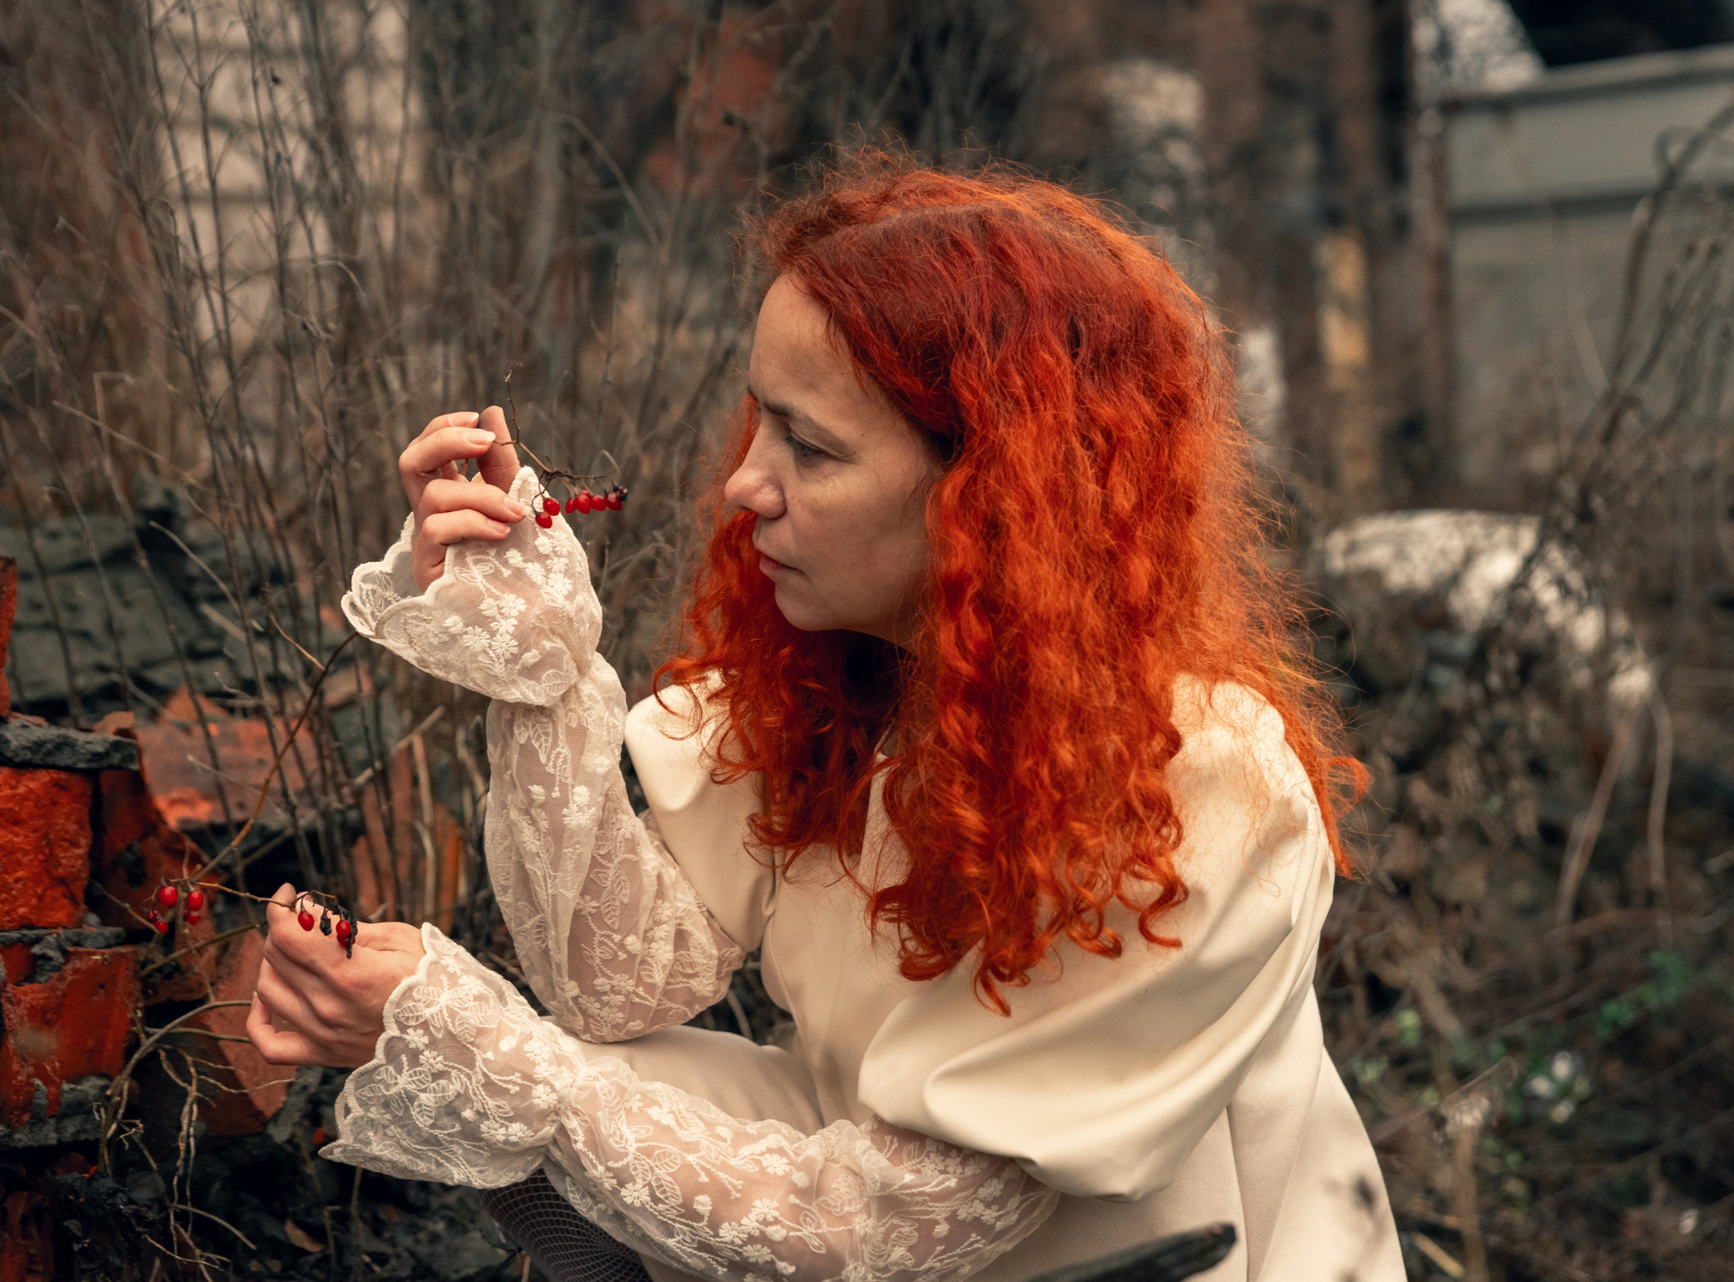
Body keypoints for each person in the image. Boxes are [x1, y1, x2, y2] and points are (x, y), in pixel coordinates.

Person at [244, 159, 1406, 1282]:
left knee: (548, 1083)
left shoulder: (1193, 776)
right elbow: (613, 990)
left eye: (810, 445)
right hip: (882, 1216)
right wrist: (536, 666)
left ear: (994, 492)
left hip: (1112, 1261)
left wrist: (486, 1052)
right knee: (587, 1070)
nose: (746, 483)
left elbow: (895, 1225)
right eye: (760, 422)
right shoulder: (847, 677)